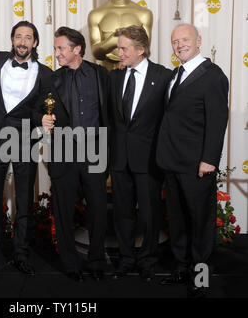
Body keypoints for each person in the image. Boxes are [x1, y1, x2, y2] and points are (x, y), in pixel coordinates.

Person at [0, 21, 52, 285]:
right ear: (11, 39)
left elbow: (45, 107)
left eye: (28, 37)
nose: (22, 41)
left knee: (23, 200)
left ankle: (21, 254)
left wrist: (42, 119)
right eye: (18, 36)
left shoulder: (45, 73)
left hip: (25, 137)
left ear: (35, 43)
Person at [156, 24, 229, 297]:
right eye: (175, 41)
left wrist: (209, 159)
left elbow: (218, 121)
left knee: (201, 223)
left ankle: (200, 279)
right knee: (177, 221)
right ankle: (181, 269)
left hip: (197, 165)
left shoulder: (213, 76)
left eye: (185, 40)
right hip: (172, 162)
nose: (179, 45)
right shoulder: (176, 73)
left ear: (199, 41)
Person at [40, 27, 109, 282]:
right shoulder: (51, 79)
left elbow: (109, 112)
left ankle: (97, 260)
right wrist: (42, 119)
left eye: (61, 48)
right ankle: (70, 263)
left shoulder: (101, 75)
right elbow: (38, 109)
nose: (56, 53)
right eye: (56, 48)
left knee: (98, 209)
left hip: (94, 149)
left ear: (77, 49)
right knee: (63, 209)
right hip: (63, 150)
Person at [109, 25, 172, 282]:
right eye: (119, 47)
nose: (119, 53)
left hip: (149, 158)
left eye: (124, 48)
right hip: (120, 157)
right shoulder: (115, 77)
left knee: (149, 214)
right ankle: (125, 258)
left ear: (141, 49)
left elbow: (170, 119)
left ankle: (147, 259)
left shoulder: (164, 76)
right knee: (122, 212)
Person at [88, 0, 153, 71]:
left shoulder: (144, 14)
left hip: (134, 72)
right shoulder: (96, 14)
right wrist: (113, 41)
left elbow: (145, 50)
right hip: (107, 72)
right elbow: (96, 53)